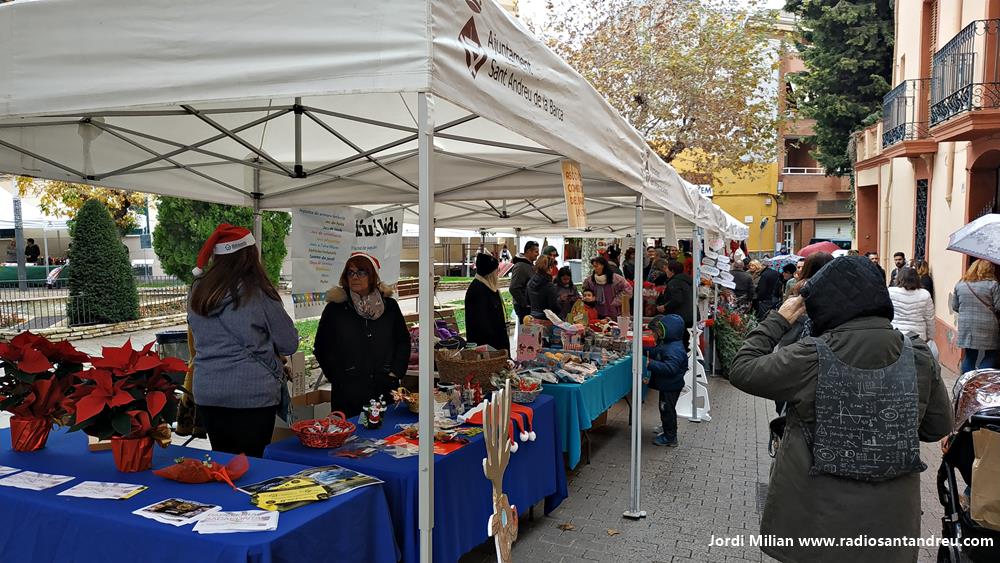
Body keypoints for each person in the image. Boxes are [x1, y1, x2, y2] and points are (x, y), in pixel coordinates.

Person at [729, 256, 952, 563]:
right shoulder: (917, 353)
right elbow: (936, 427)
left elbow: (742, 368)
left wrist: (778, 320)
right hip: (891, 522)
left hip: (816, 517)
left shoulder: (813, 355)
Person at [187, 224, 299, 457]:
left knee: (223, 461)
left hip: (208, 391)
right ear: (249, 254)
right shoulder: (258, 291)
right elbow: (289, 343)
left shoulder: (197, 290)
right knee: (251, 465)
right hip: (252, 394)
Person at [314, 253, 410, 418]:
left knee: (386, 437)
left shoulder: (390, 307)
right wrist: (338, 377)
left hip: (384, 388)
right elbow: (322, 347)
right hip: (349, 393)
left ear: (372, 275)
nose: (355, 277)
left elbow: (403, 341)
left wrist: (395, 372)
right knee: (350, 439)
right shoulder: (336, 309)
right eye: (350, 273)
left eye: (361, 272)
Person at [950, 259, 1000, 373]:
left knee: (970, 355)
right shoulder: (993, 284)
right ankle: (980, 379)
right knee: (990, 354)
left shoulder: (960, 284)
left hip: (966, 325)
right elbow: (998, 306)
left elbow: (955, 306)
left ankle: (968, 382)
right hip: (988, 325)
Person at [646, 314, 688, 447]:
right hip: (668, 385)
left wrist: (650, 364)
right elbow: (657, 352)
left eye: (657, 331)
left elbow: (670, 368)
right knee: (665, 409)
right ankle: (667, 429)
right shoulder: (669, 344)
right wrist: (643, 350)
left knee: (667, 410)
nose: (655, 334)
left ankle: (670, 437)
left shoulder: (673, 349)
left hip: (671, 386)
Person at [464, 253, 509, 352]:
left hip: (495, 343)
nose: (498, 272)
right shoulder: (478, 290)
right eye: (496, 270)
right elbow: (482, 324)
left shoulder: (488, 286)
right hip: (487, 346)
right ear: (490, 272)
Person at [889, 268, 935, 342]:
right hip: (918, 336)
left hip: (896, 335)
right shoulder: (925, 294)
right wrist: (930, 337)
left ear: (900, 278)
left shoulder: (891, 292)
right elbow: (930, 318)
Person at [654, 260, 694, 330]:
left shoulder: (674, 282)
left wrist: (664, 307)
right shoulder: (687, 280)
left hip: (679, 317)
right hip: (690, 316)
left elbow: (677, 299)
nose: (665, 271)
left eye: (667, 269)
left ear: (672, 271)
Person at [509, 241, 539, 323]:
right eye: (536, 252)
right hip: (523, 308)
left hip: (528, 306)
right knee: (526, 333)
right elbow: (513, 288)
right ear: (528, 251)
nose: (538, 254)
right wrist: (525, 304)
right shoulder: (520, 266)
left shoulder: (529, 265)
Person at [527, 255, 559, 320]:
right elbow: (554, 307)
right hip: (547, 319)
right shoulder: (549, 286)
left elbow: (527, 301)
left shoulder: (530, 282)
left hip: (533, 318)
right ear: (549, 268)